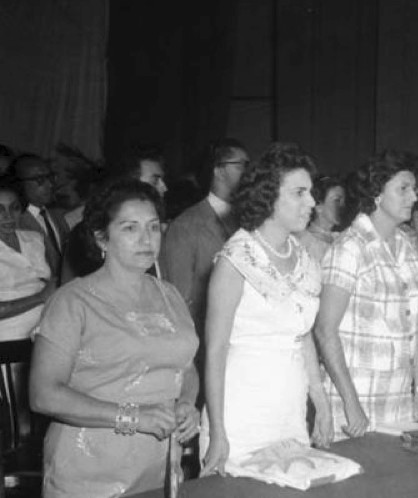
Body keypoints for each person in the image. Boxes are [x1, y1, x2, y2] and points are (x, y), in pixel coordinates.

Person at [29, 179, 199, 497]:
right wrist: (133, 417)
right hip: (91, 469)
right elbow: (43, 395)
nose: (146, 239)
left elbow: (186, 368)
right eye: (130, 228)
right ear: (101, 237)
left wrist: (188, 403)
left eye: (153, 227)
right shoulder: (73, 301)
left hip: (159, 464)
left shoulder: (170, 294)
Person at [200, 143, 330, 476]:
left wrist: (321, 400)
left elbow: (302, 335)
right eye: (299, 193)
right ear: (268, 196)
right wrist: (219, 432)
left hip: (289, 412)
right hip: (240, 415)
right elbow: (215, 351)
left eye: (311, 193)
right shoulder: (235, 259)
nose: (311, 202)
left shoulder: (305, 259)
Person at [315, 150, 418, 440]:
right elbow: (325, 330)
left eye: (413, 188)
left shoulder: (406, 247)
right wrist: (351, 403)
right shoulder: (350, 248)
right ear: (377, 193)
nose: (413, 197)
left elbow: (413, 324)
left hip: (398, 398)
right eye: (403, 188)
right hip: (355, 400)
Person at [160, 139, 249, 345]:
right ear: (218, 171)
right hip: (205, 338)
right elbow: (179, 297)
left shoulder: (250, 220)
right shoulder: (186, 225)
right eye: (240, 165)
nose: (248, 172)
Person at [0, 181, 52, 341]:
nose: (8, 216)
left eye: (14, 208)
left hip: (47, 329)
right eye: (0, 210)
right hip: (9, 340)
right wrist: (40, 297)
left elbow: (50, 281)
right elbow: (46, 293)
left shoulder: (35, 238)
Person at [11, 154, 69, 284]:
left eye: (50, 177)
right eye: (40, 180)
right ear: (20, 184)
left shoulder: (57, 216)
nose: (50, 185)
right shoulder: (15, 222)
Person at [299, 174, 346, 262]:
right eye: (337, 200)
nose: (342, 206)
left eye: (344, 201)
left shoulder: (341, 239)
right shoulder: (304, 244)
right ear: (318, 206)